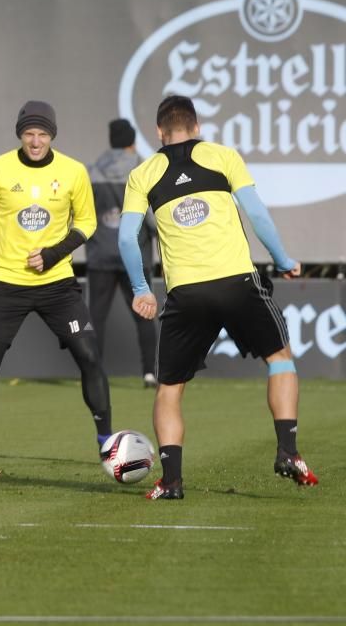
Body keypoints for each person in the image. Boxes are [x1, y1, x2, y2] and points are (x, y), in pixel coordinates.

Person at [119, 95, 318, 500]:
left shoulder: (143, 173)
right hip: (236, 283)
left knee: (170, 387)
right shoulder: (223, 156)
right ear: (196, 126)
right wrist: (283, 259)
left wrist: (141, 289)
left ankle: (171, 481)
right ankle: (288, 451)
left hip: (186, 294)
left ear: (159, 132)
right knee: (279, 359)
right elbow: (257, 214)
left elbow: (126, 238)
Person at [0, 100, 113, 466]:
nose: (35, 141)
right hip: (7, 283)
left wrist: (53, 254)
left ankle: (106, 443)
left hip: (57, 284)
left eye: (42, 134)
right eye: (29, 134)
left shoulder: (73, 171)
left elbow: (87, 222)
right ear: (20, 134)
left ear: (52, 135)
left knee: (89, 355)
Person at [86, 118, 158, 387]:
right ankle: (149, 373)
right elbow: (151, 220)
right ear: (132, 142)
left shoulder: (92, 171)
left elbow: (83, 215)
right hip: (134, 255)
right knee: (144, 313)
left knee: (96, 317)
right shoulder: (143, 171)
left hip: (100, 255)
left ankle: (94, 374)